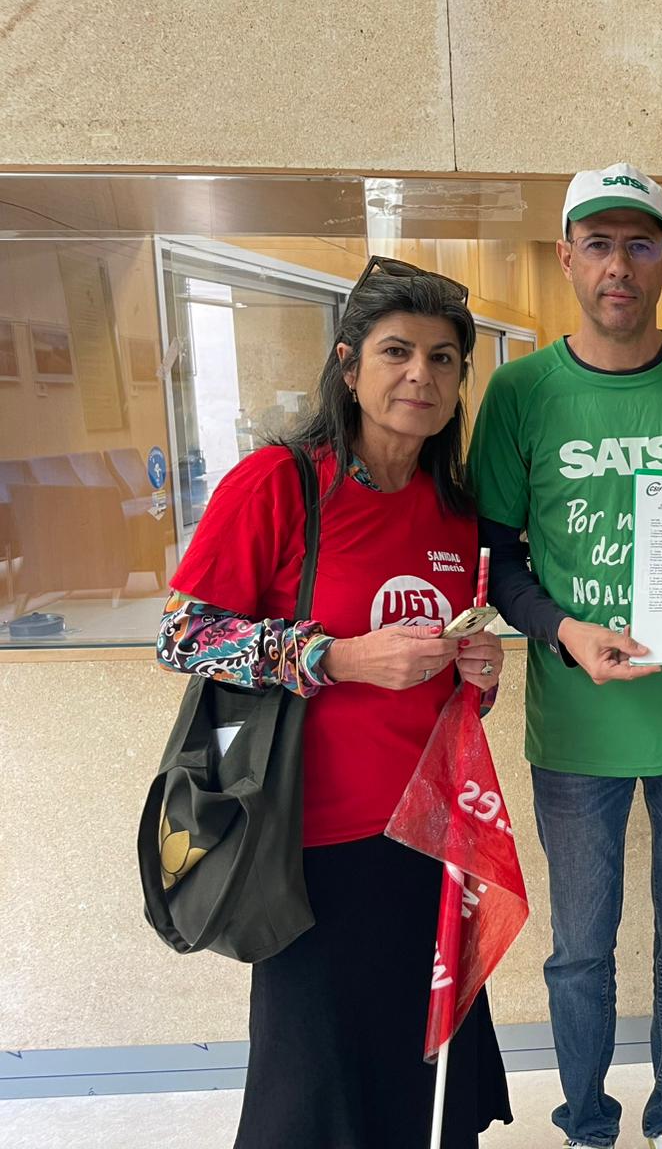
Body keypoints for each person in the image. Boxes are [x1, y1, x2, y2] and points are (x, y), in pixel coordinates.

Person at [156, 256, 511, 1148]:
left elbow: (442, 683)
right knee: (311, 1092)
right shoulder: (281, 483)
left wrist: (479, 673)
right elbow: (183, 635)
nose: (419, 376)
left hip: (425, 838)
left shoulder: (453, 508)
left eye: (442, 358)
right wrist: (335, 656)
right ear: (349, 367)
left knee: (420, 1086)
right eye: (397, 352)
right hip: (304, 844)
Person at [468, 163, 662, 1149]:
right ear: (567, 258)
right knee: (578, 951)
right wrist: (562, 630)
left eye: (639, 244)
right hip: (575, 727)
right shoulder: (521, 392)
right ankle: (586, 1124)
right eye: (598, 244)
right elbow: (496, 556)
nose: (619, 264)